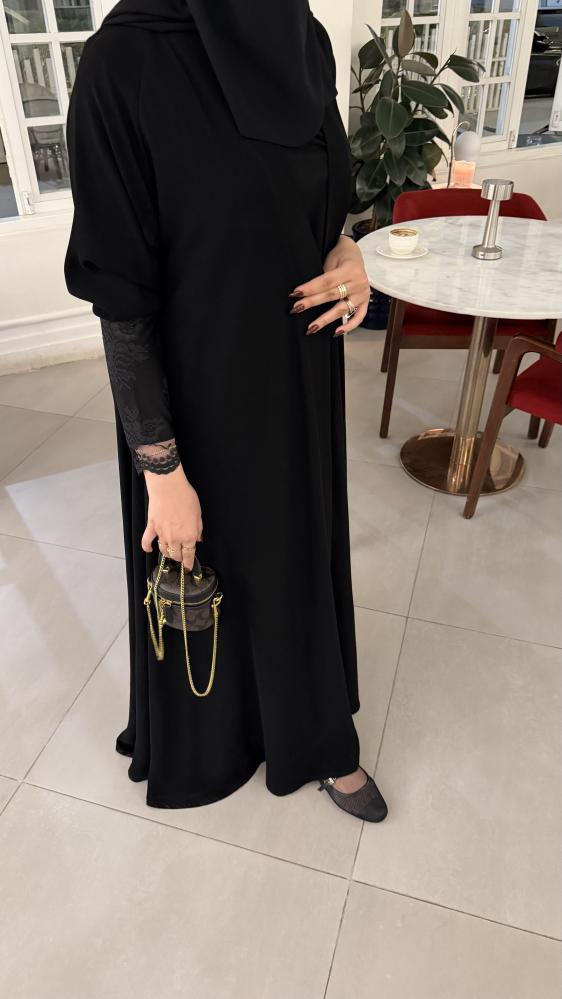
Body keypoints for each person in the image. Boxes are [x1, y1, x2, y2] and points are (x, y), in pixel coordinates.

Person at [64, 0, 388, 822]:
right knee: (205, 569)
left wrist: (348, 252)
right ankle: (213, 738)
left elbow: (319, 202)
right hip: (195, 397)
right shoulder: (122, 66)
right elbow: (122, 304)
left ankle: (313, 732)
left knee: (294, 556)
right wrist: (161, 468)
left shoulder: (301, 38)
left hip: (300, 378)